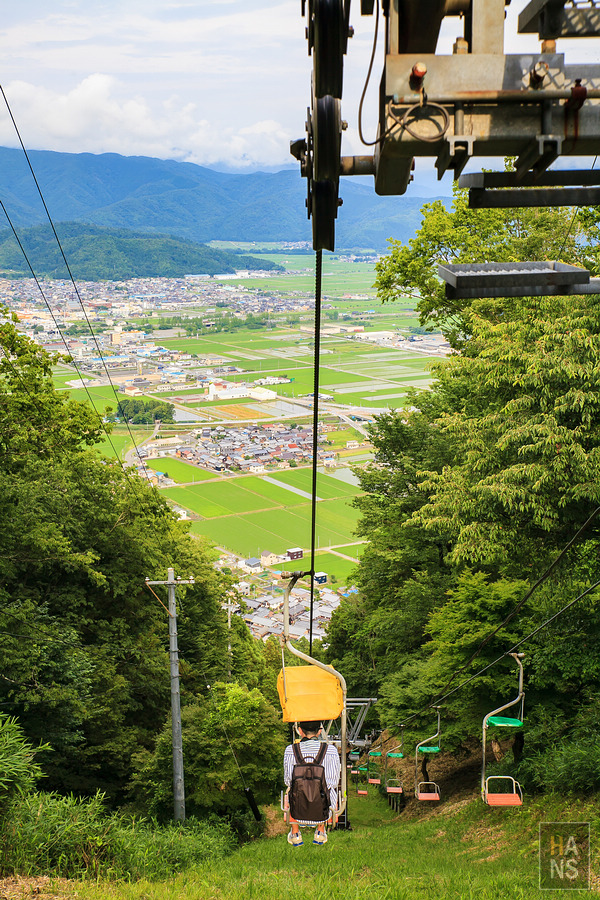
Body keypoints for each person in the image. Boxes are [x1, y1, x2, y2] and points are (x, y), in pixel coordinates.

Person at [283, 720, 341, 847]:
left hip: (298, 810)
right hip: (324, 811)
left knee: (291, 788)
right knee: (328, 788)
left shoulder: (290, 750)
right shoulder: (331, 750)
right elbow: (334, 782)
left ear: (300, 731)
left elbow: (288, 780)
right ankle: (320, 830)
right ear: (319, 731)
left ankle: (295, 832)